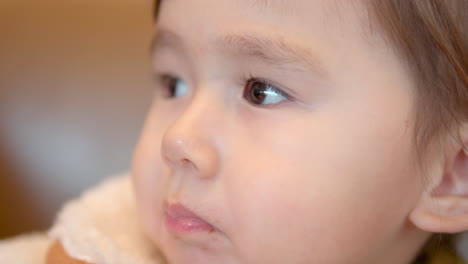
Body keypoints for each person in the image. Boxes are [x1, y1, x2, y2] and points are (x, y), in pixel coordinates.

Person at [0, 0, 467, 263]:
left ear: (450, 176)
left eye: (261, 91)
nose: (177, 139)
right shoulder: (96, 248)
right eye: (173, 83)